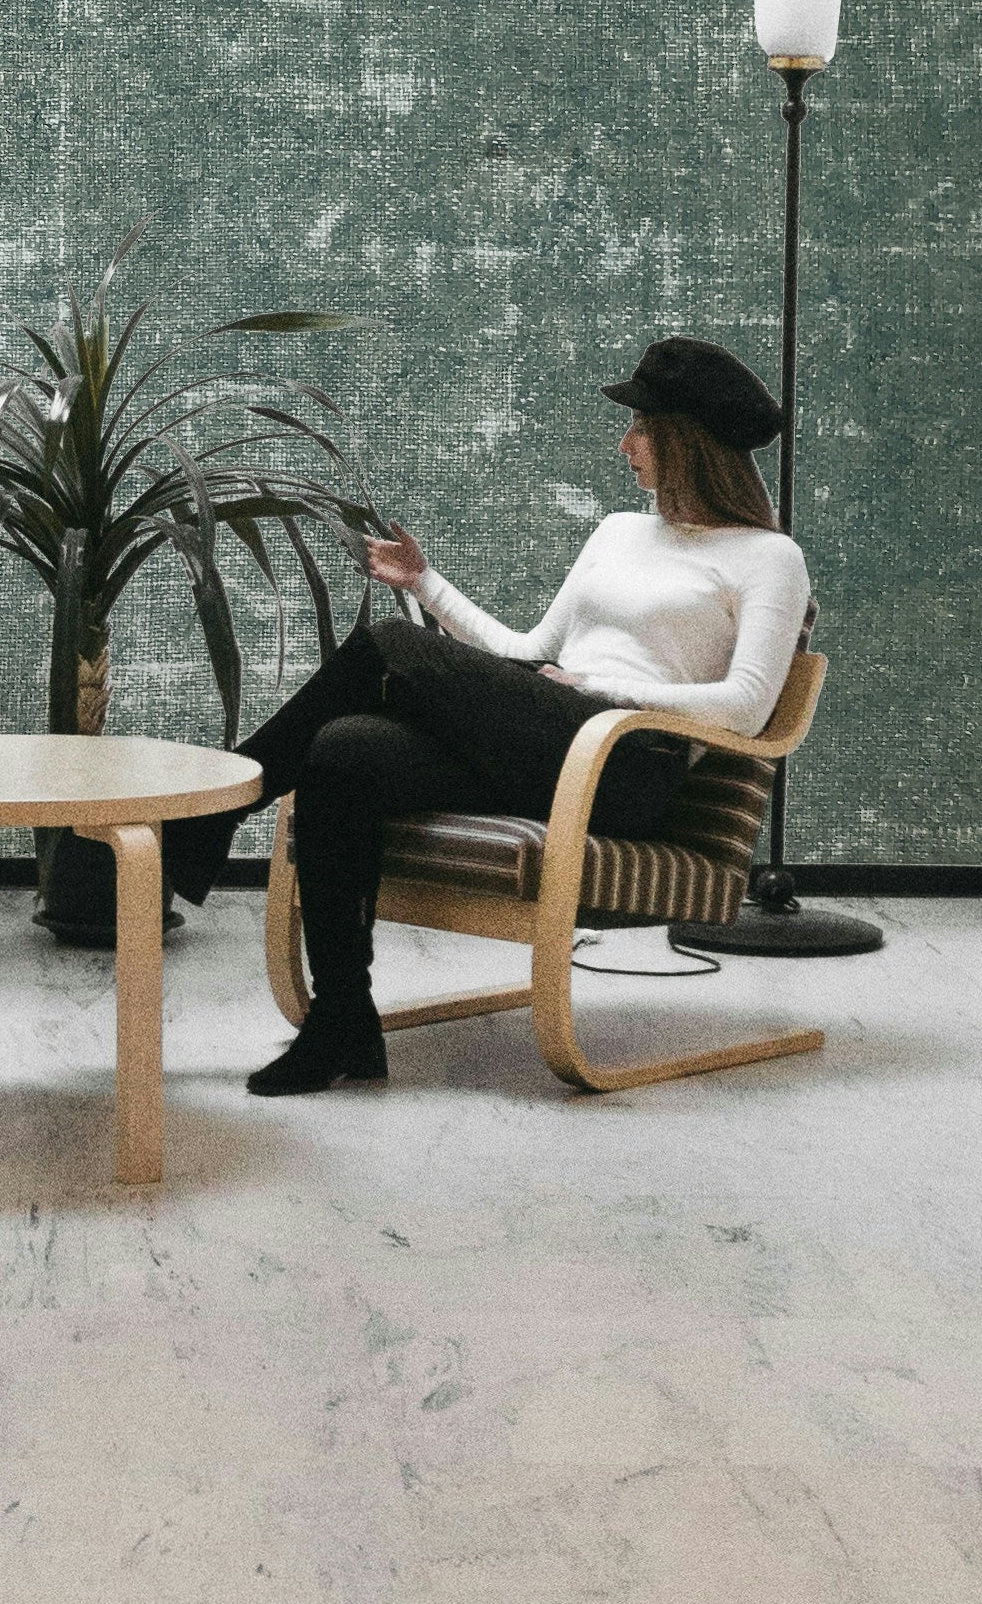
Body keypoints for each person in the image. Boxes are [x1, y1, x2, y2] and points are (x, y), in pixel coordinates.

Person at [165, 336, 812, 1096]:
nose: (625, 443)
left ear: (686, 440)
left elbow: (748, 706)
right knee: (343, 748)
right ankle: (342, 1020)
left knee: (386, 644)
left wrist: (604, 691)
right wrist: (425, 583)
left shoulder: (770, 558)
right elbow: (526, 651)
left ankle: (214, 809)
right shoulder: (618, 531)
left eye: (641, 427)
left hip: (626, 766)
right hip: (551, 737)